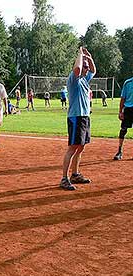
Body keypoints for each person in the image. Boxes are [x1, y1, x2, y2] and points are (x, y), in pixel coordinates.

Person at [60, 47, 96, 190]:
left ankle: (75, 174)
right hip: (76, 116)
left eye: (86, 67)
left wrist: (89, 56)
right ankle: (64, 178)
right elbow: (77, 68)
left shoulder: (85, 80)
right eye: (84, 67)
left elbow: (94, 70)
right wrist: (80, 55)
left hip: (85, 116)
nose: (86, 69)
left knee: (81, 147)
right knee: (72, 148)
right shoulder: (73, 79)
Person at [113, 77, 133, 160]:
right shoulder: (128, 82)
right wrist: (120, 112)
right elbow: (123, 98)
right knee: (123, 130)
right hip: (128, 109)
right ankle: (119, 151)